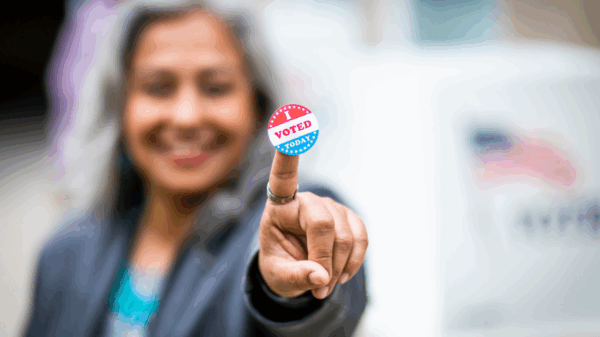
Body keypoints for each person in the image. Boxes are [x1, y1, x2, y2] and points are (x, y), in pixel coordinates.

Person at [23, 1, 368, 336]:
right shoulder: (65, 251)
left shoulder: (292, 225)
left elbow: (322, 315)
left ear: (257, 103)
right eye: (158, 87)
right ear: (119, 106)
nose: (187, 117)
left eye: (216, 87)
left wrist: (288, 294)